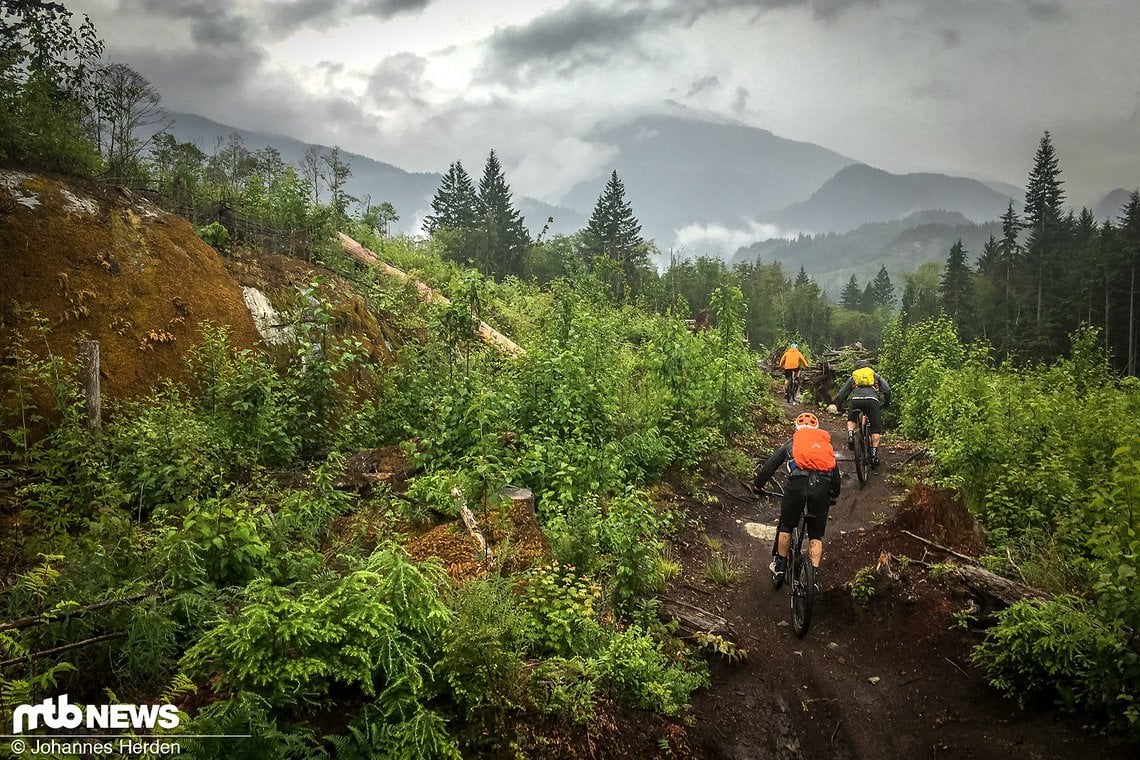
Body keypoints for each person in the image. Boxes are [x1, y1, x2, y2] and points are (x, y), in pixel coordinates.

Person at [752, 412, 841, 587]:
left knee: (786, 525)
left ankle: (780, 567)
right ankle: (812, 578)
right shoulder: (824, 447)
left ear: (797, 429)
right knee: (815, 535)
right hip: (821, 489)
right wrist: (833, 495)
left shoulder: (791, 444)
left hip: (797, 486)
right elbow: (835, 478)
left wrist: (758, 485)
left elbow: (769, 467)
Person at [830, 359, 891, 467]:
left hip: (856, 400)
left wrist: (840, 406)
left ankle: (850, 434)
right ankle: (873, 456)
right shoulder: (875, 376)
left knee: (851, 419)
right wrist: (886, 403)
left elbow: (841, 394)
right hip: (872, 401)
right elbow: (887, 390)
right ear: (869, 367)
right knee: (875, 429)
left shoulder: (854, 377)